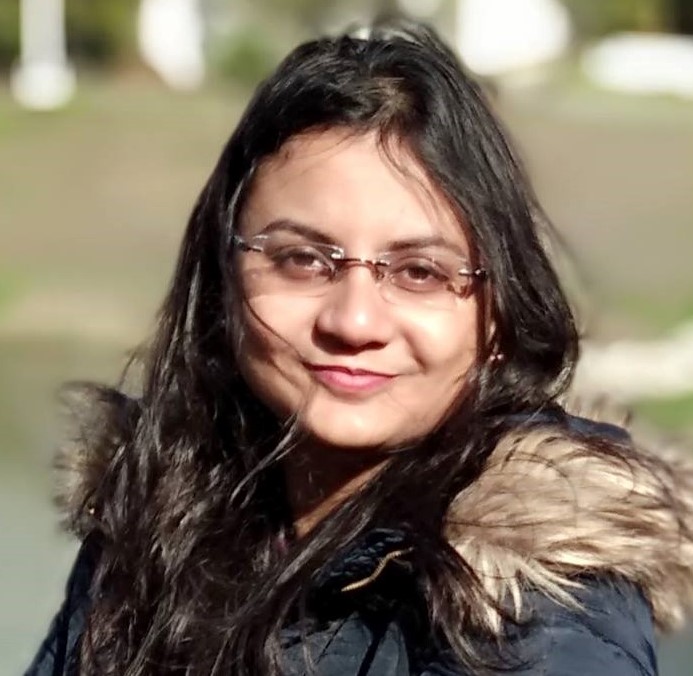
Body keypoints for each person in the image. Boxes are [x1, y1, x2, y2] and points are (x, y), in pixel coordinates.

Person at [26, 19, 693, 676]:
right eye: (301, 260)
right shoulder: (146, 525)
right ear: (222, 275)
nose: (354, 321)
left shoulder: (545, 611)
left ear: (497, 316)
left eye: (420, 272)